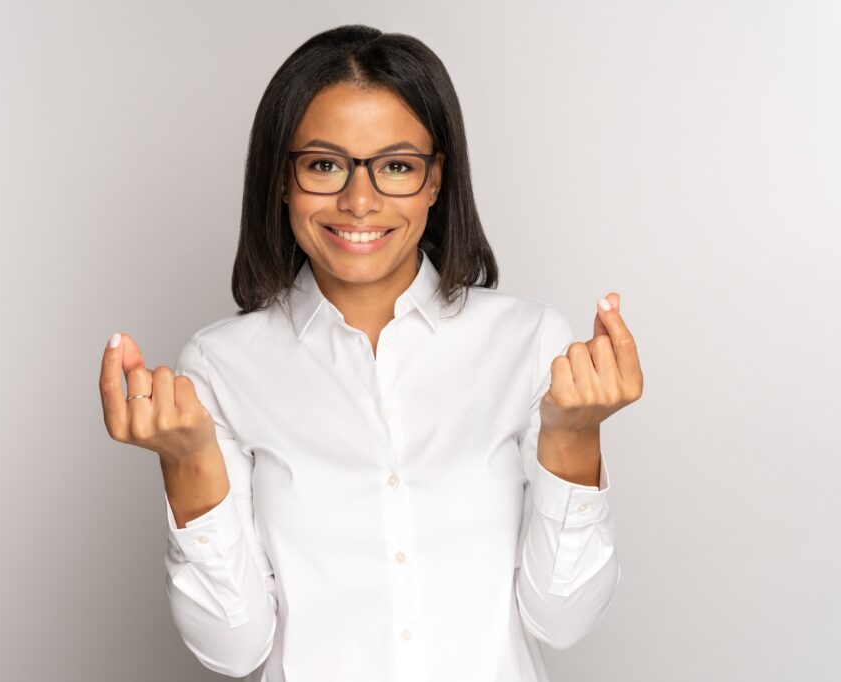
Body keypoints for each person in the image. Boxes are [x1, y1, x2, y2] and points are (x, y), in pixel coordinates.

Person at [99, 24, 643, 682]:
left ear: (436, 179)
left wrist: (574, 439)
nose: (360, 201)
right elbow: (234, 648)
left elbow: (563, 621)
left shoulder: (530, 345)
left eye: (396, 166)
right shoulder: (220, 367)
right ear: (282, 179)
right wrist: (186, 467)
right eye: (325, 164)